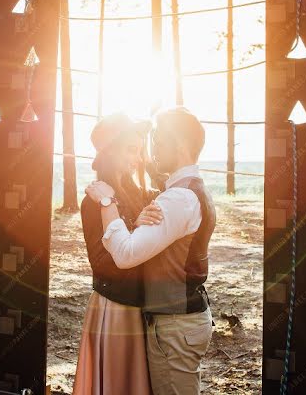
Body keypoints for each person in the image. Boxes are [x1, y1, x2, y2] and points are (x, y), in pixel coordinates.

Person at [85, 107, 216, 395]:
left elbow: (126, 253)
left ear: (178, 145)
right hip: (125, 309)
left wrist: (113, 208)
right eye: (135, 148)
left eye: (156, 143)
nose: (148, 154)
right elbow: (105, 260)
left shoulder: (174, 198)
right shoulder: (180, 192)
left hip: (171, 322)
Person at [72, 113, 164, 395]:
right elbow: (103, 263)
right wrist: (134, 228)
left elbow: (166, 191)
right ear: (111, 152)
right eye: (131, 151)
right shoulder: (94, 201)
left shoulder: (140, 193)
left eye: (140, 151)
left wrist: (148, 162)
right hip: (116, 309)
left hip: (141, 306)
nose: (137, 159)